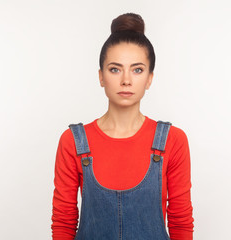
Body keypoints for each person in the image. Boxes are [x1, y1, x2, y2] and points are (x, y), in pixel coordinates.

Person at [51, 13, 194, 240]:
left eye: (137, 69)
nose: (126, 80)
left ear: (149, 78)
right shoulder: (73, 142)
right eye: (115, 69)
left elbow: (181, 222)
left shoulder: (172, 141)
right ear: (101, 77)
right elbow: (64, 222)